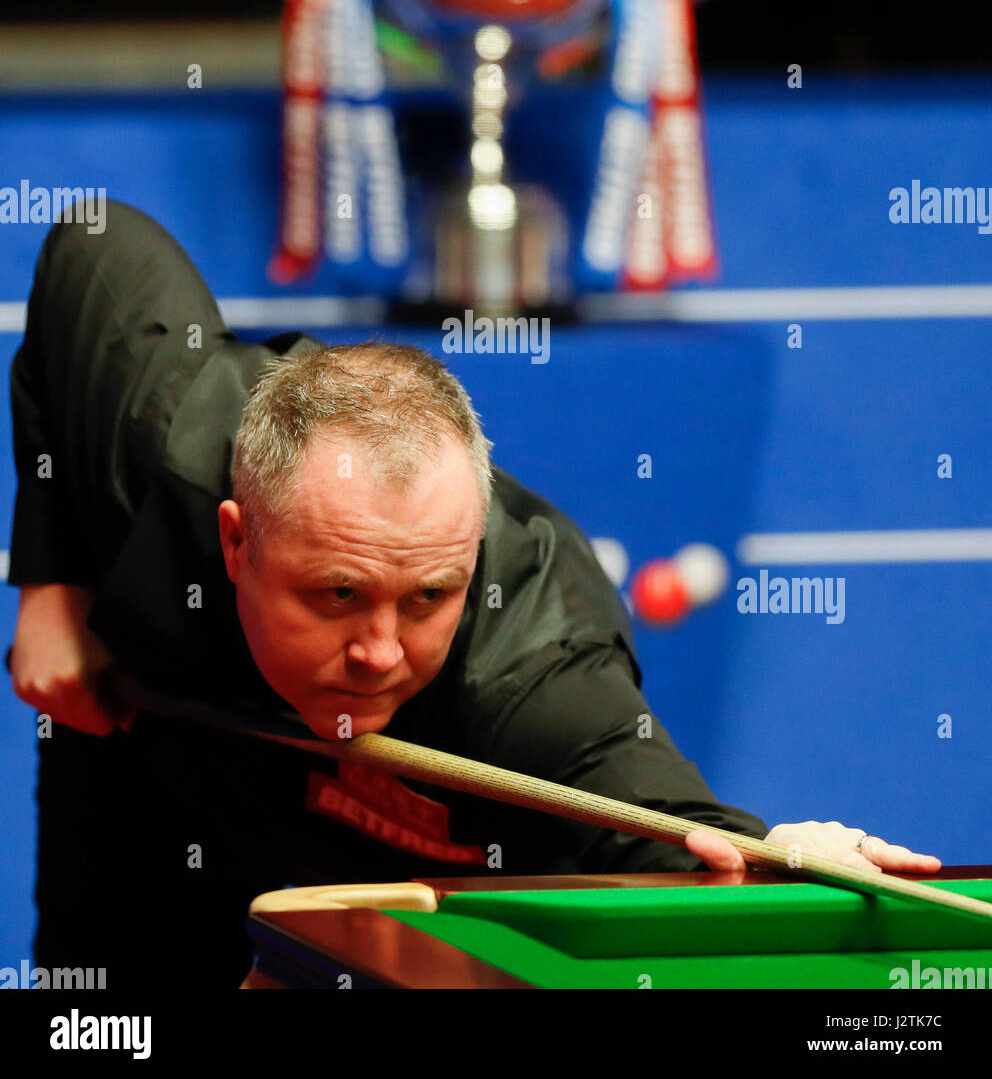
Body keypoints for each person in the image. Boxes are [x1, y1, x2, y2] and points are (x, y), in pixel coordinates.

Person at [7, 202, 940, 988]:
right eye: (336, 593)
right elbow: (96, 237)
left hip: (379, 885)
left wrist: (785, 864)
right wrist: (52, 582)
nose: (381, 650)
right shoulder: (159, 437)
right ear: (235, 538)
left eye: (427, 598)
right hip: (147, 755)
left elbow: (676, 837)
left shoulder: (533, 662)